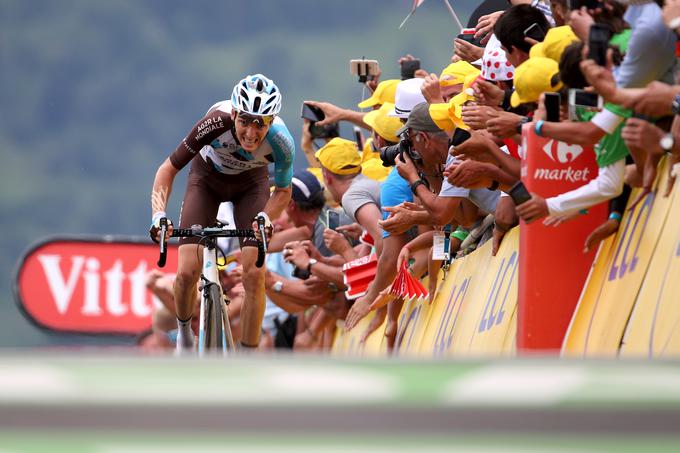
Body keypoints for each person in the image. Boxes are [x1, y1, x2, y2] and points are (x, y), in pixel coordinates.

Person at [148, 74, 295, 352]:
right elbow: (168, 169)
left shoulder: (282, 143)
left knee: (254, 274)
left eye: (260, 124)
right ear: (234, 113)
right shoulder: (215, 122)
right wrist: (159, 214)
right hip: (206, 182)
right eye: (244, 121)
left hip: (251, 187)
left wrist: (266, 217)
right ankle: (184, 335)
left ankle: (248, 356)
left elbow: (284, 192)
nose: (251, 133)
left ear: (271, 122)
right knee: (187, 271)